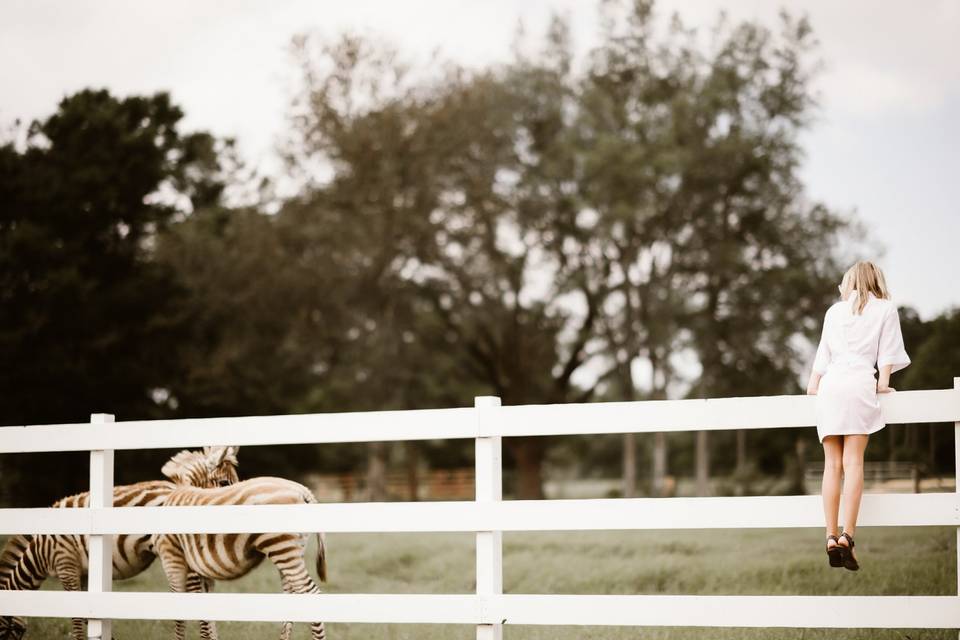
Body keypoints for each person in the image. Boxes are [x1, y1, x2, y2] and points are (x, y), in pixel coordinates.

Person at [805, 261, 911, 571]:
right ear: (876, 281)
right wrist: (883, 384)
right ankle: (847, 537)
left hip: (830, 386)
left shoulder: (834, 311)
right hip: (859, 385)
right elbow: (888, 352)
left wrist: (813, 385)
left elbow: (823, 354)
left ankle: (829, 536)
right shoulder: (886, 308)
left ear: (848, 283)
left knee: (831, 465)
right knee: (853, 463)